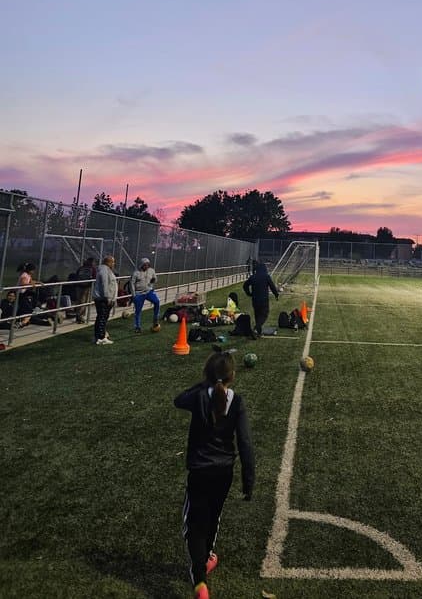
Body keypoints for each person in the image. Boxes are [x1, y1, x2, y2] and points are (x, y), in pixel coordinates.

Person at [174, 348, 255, 599]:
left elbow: (178, 399)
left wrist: (203, 383)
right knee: (212, 518)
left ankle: (200, 581)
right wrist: (248, 479)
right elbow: (245, 443)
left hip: (200, 472)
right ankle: (207, 557)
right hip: (224, 473)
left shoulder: (199, 396)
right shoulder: (237, 401)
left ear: (207, 374)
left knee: (194, 525)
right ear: (232, 376)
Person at [243, 262, 279, 336]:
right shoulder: (266, 276)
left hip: (255, 300)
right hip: (264, 299)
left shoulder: (253, 277)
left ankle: (258, 332)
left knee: (257, 315)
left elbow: (245, 285)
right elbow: (272, 286)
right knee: (264, 314)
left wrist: (249, 293)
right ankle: (256, 328)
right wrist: (276, 294)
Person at [130, 257, 161, 333]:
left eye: (147, 264)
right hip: (139, 293)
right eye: (144, 265)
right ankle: (137, 327)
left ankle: (155, 320)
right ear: (141, 265)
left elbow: (155, 279)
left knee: (157, 301)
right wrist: (134, 295)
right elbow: (131, 284)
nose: (146, 266)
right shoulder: (136, 273)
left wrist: (154, 280)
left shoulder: (151, 270)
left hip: (149, 291)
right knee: (138, 311)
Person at [93, 256, 117, 345]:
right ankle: (101, 338)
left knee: (102, 317)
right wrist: (108, 297)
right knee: (102, 317)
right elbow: (105, 284)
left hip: (104, 298)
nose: (113, 264)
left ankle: (99, 335)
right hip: (103, 299)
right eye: (112, 262)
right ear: (108, 262)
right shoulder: (104, 270)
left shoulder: (106, 270)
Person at [73, 257, 97, 324]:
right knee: (84, 302)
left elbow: (76, 275)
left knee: (79, 301)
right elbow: (95, 277)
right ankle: (80, 316)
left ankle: (79, 315)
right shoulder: (92, 269)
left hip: (78, 286)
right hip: (87, 287)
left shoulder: (81, 268)